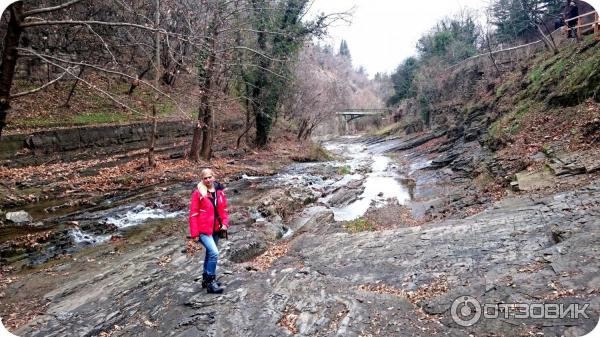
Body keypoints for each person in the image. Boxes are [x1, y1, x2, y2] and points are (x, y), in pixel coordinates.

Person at [189, 168, 229, 294]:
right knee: (214, 253)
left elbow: (224, 210)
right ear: (202, 179)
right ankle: (211, 283)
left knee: (210, 254)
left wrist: (225, 224)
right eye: (205, 178)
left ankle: (206, 279)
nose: (207, 180)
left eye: (209, 177)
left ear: (214, 177)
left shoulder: (219, 191)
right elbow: (193, 214)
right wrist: (194, 234)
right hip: (203, 230)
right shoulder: (198, 193)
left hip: (216, 228)